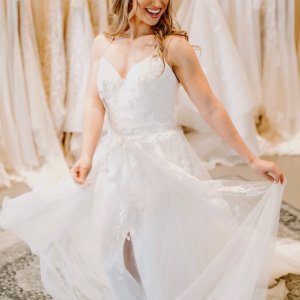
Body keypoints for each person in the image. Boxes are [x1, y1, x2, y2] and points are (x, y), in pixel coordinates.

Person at [0, 1, 287, 299]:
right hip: (114, 162)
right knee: (113, 253)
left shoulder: (174, 47)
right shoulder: (102, 44)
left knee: (152, 251)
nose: (159, 3)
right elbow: (93, 103)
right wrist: (86, 155)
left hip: (161, 162)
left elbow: (210, 107)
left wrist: (251, 158)